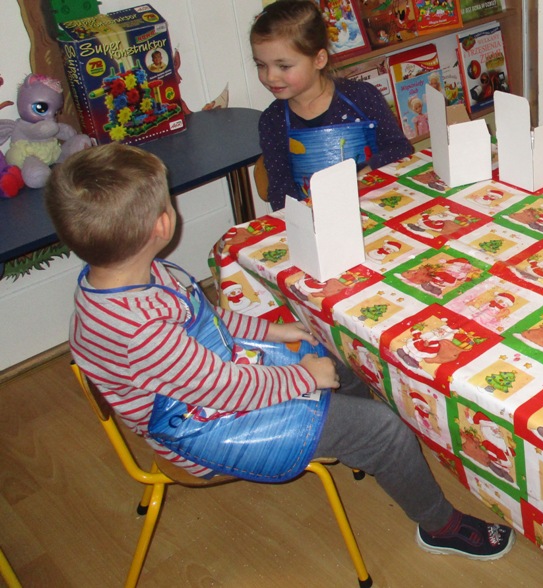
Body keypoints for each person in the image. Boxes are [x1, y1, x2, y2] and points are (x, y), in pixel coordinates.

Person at [45, 143, 515, 562]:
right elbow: (226, 390)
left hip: (210, 385)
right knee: (383, 430)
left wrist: (272, 331)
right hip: (205, 429)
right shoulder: (142, 332)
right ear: (162, 223)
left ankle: (362, 443)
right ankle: (438, 524)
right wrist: (306, 377)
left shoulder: (128, 278)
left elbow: (207, 320)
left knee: (325, 347)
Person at [252, 0, 413, 211]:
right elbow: (280, 191)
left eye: (283, 66)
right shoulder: (273, 120)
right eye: (261, 65)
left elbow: (401, 149)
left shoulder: (362, 97)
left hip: (379, 208)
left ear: (319, 59)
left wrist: (369, 170)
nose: (270, 76)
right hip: (316, 218)